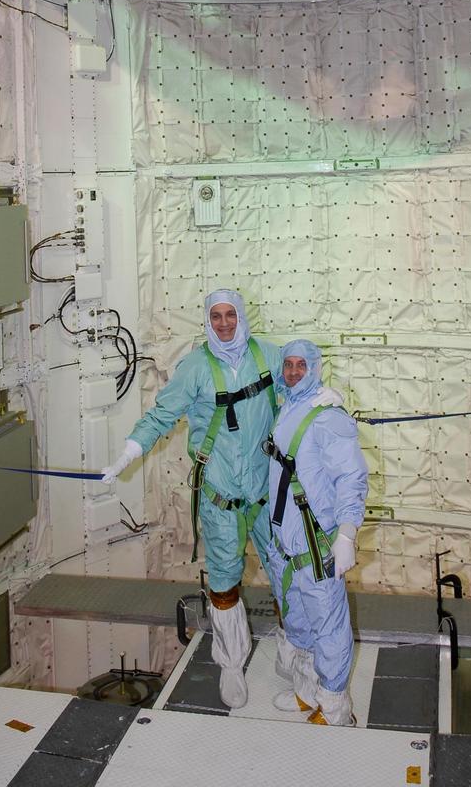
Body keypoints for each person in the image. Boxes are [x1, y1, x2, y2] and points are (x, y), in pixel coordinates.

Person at [102, 290, 341, 709]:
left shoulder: (268, 355)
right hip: (221, 497)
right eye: (217, 316)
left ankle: (295, 657)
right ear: (208, 320)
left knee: (289, 576)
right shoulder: (194, 367)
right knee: (224, 582)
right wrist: (129, 451)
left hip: (269, 495)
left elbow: (299, 383)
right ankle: (231, 663)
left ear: (241, 315)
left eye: (231, 314)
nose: (225, 323)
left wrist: (325, 397)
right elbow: (162, 415)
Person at [265, 339, 368, 726]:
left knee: (328, 627)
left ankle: (336, 709)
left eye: (301, 366)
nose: (292, 371)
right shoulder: (290, 406)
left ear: (315, 368)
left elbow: (352, 479)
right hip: (286, 545)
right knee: (300, 623)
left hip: (315, 544)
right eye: (288, 364)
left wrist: (346, 534)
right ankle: (308, 694)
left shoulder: (328, 417)